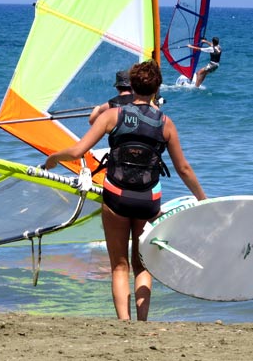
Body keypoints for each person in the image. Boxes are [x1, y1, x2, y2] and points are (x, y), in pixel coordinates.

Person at [44, 60, 206, 321]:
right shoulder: (166, 123)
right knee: (143, 264)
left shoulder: (113, 115)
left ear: (131, 86)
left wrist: (53, 159)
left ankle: (124, 323)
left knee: (120, 266)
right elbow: (184, 169)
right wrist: (203, 200)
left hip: (116, 198)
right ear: (156, 89)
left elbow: (77, 151)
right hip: (148, 200)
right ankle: (142, 321)